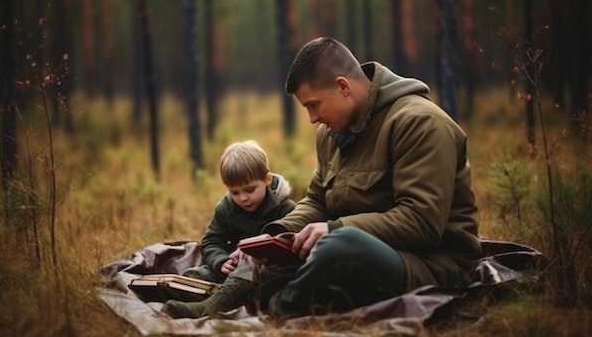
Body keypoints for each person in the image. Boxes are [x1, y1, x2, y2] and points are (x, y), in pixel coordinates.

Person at [165, 36, 481, 319]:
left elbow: (422, 223)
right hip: (351, 248)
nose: (313, 118)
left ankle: (279, 309)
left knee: (339, 244)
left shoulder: (420, 124)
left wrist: (334, 229)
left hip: (432, 266)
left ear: (343, 86)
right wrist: (272, 236)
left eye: (314, 105)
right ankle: (220, 302)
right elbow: (317, 200)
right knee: (284, 248)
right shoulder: (332, 133)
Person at [162, 140, 295, 317]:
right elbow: (211, 242)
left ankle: (210, 307)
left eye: (249, 190)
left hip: (265, 273)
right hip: (230, 268)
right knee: (196, 274)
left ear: (267, 180)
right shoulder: (225, 208)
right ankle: (184, 292)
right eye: (235, 192)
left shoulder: (287, 209)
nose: (243, 198)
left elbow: (292, 247)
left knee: (249, 267)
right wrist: (220, 261)